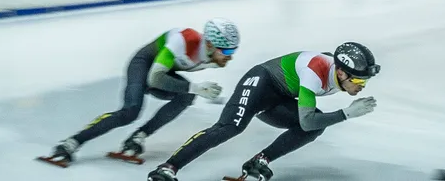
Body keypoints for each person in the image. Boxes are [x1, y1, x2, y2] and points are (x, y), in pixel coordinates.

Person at [146, 42, 380, 181]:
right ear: (341, 73)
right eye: (359, 81)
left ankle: (260, 161)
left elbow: (309, 125)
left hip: (280, 95)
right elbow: (307, 120)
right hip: (261, 82)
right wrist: (346, 114)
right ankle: (168, 168)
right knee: (230, 127)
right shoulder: (315, 73)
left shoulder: (335, 69)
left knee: (315, 127)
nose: (361, 87)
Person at [41, 19, 240, 167]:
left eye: (234, 51)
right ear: (210, 45)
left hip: (162, 70)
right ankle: (72, 142)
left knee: (186, 97)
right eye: (228, 52)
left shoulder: (211, 56)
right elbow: (154, 79)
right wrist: (195, 88)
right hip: (143, 65)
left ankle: (138, 137)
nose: (230, 58)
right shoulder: (183, 40)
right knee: (130, 112)